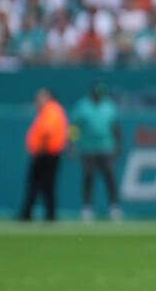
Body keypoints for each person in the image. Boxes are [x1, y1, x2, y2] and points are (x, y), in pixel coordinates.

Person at [71, 81, 122, 221]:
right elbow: (75, 127)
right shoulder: (83, 106)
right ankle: (87, 208)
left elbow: (116, 128)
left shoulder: (109, 106)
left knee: (110, 177)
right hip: (88, 148)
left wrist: (118, 146)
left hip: (106, 147)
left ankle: (114, 207)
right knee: (89, 177)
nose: (99, 96)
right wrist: (73, 144)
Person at [19, 88, 68, 221]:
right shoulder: (49, 111)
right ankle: (34, 214)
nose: (37, 100)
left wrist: (40, 150)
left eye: (40, 97)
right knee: (41, 186)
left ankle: (44, 215)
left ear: (48, 98)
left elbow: (47, 132)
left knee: (43, 186)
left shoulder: (51, 110)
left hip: (46, 154)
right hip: (46, 153)